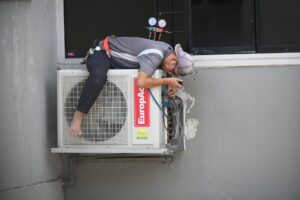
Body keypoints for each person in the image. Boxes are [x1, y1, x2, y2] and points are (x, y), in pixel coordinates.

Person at [70, 36, 194, 136]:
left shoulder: (168, 49)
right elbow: (141, 82)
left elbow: (164, 67)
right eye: (173, 72)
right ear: (173, 60)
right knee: (98, 77)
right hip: (103, 53)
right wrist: (167, 81)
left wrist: (170, 79)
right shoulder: (156, 55)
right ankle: (78, 115)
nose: (171, 73)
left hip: (115, 60)